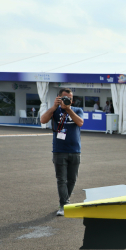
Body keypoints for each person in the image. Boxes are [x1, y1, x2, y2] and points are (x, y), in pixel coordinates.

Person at [40, 88, 84, 216]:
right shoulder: (54, 111)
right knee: (61, 179)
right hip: (59, 150)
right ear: (58, 98)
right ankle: (64, 205)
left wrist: (68, 109)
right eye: (65, 98)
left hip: (75, 150)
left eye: (70, 98)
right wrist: (54, 107)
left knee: (72, 179)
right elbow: (43, 120)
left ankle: (65, 201)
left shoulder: (77, 110)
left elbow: (80, 123)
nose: (68, 100)